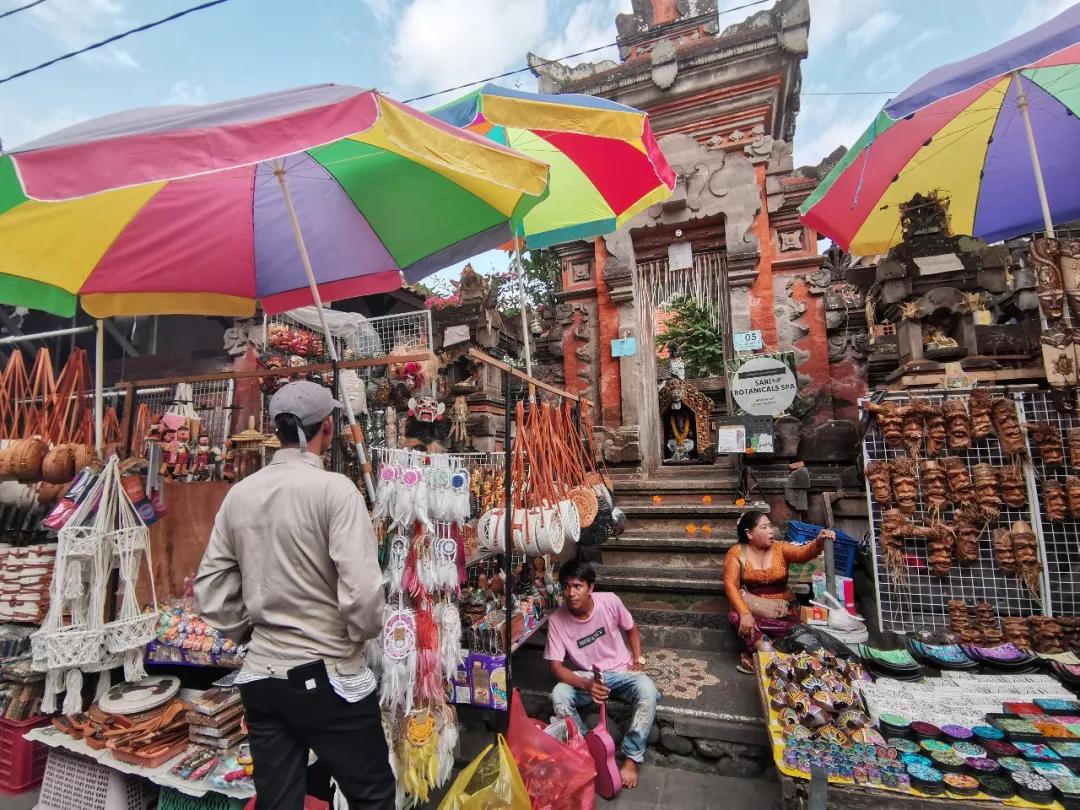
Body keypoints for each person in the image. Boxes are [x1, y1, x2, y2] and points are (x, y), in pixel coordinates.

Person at [195, 381, 392, 810]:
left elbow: (210, 590)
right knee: (373, 796)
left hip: (262, 678)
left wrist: (249, 631)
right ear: (327, 426)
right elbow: (362, 593)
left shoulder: (240, 494)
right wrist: (357, 637)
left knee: (279, 801)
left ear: (275, 428)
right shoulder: (335, 491)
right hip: (327, 676)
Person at [544, 560, 660, 790]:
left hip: (621, 671)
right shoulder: (557, 620)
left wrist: (638, 660)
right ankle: (589, 751)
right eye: (566, 587)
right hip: (589, 676)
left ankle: (631, 757)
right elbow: (556, 667)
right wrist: (586, 683)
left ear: (591, 588)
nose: (570, 593)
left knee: (648, 690)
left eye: (577, 586)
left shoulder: (610, 601)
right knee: (559, 694)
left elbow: (632, 628)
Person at [724, 510, 834, 674]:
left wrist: (818, 541)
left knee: (797, 633)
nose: (771, 531)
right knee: (736, 617)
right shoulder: (736, 553)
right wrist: (745, 613)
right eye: (764, 527)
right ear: (750, 534)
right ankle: (767, 654)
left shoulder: (780, 548)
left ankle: (759, 656)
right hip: (756, 611)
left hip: (784, 611)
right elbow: (730, 584)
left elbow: (802, 553)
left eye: (770, 526)